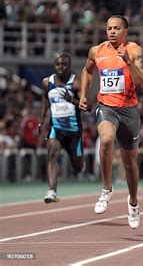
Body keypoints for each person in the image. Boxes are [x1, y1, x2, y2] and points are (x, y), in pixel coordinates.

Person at [79, 15, 143, 229]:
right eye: (109, 28)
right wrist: (84, 94)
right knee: (107, 139)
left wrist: (128, 62)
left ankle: (134, 203)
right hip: (106, 108)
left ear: (125, 31)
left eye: (116, 28)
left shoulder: (135, 51)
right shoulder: (97, 51)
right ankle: (106, 189)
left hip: (129, 111)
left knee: (129, 164)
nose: (112, 32)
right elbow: (87, 71)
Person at [39, 52, 84, 203]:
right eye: (58, 64)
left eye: (64, 64)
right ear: (54, 65)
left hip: (74, 130)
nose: (61, 67)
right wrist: (42, 120)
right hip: (56, 128)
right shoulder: (47, 82)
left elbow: (87, 106)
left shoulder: (76, 83)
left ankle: (77, 163)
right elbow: (45, 99)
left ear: (69, 66)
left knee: (77, 167)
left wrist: (71, 99)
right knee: (52, 153)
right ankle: (52, 191)